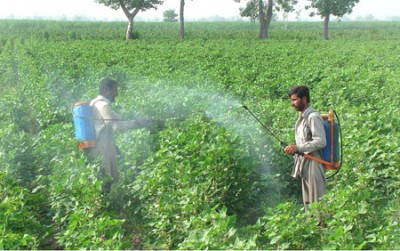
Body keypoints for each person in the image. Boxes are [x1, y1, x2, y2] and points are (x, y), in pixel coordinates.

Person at [90, 77, 149, 184]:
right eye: (114, 90)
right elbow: (115, 126)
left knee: (102, 178)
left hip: (96, 146)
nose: (116, 94)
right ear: (105, 91)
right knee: (111, 178)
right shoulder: (103, 105)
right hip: (103, 147)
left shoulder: (94, 103)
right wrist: (136, 123)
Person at [284, 85, 326, 209]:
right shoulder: (302, 118)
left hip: (314, 162)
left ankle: (323, 227)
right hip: (304, 162)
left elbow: (321, 141)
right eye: (291, 100)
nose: (292, 104)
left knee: (317, 202)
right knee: (308, 203)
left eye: (294, 100)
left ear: (304, 99)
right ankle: (313, 227)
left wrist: (299, 148)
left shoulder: (313, 117)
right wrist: (294, 149)